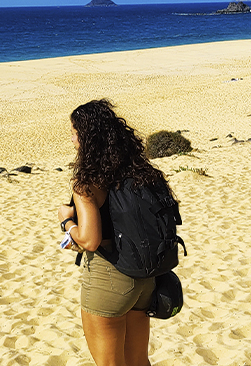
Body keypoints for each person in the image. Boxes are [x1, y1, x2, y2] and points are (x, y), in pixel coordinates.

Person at [58, 99, 174, 366]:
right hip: (145, 276)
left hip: (107, 279)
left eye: (75, 133)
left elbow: (89, 239)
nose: (72, 140)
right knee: (138, 361)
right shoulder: (140, 171)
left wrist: (67, 223)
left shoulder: (87, 181)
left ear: (87, 138)